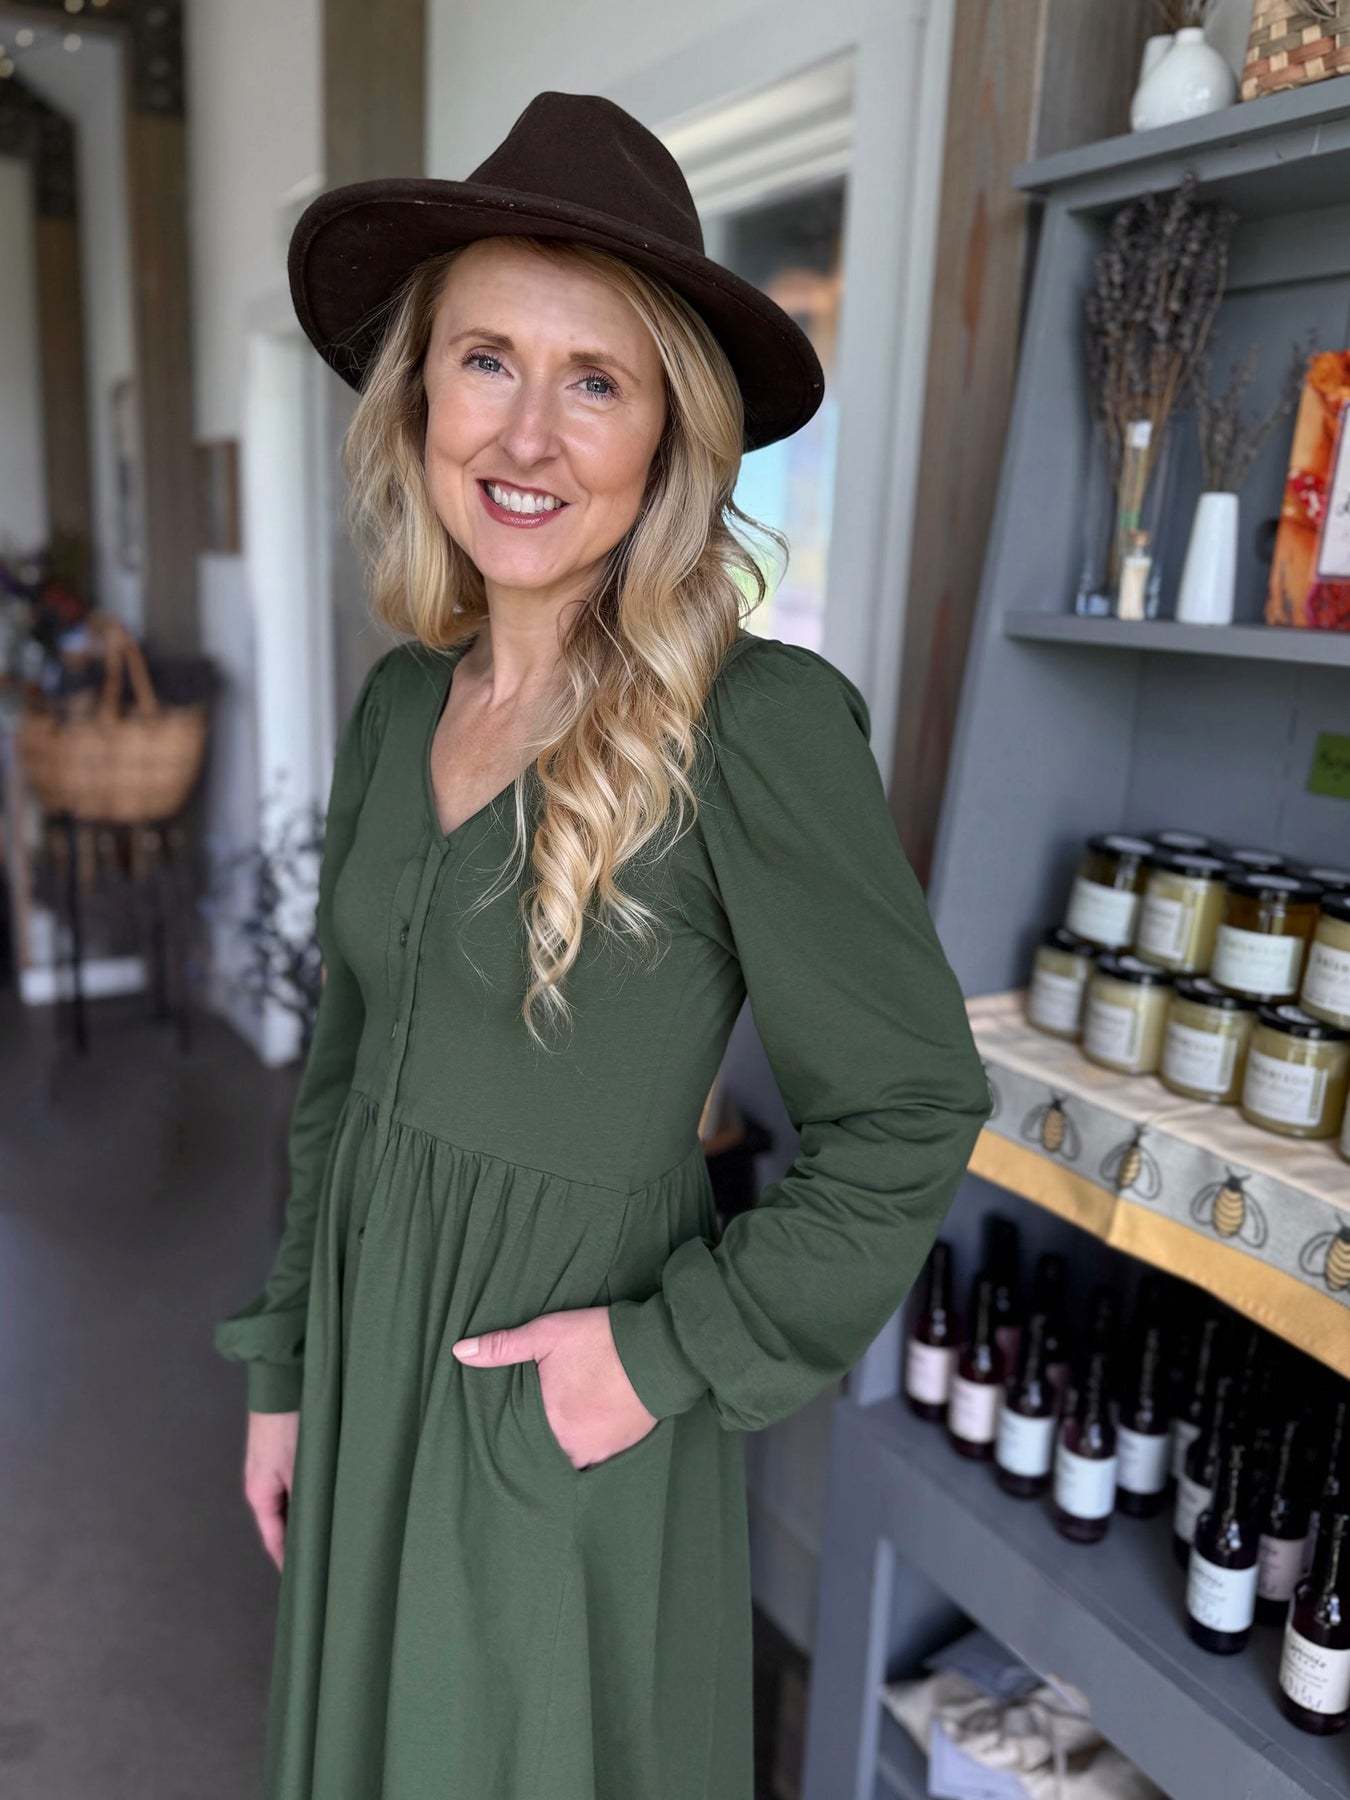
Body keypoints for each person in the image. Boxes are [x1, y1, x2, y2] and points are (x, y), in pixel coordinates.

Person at [213, 88, 991, 1800]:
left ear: (666, 439)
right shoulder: (398, 705)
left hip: (552, 1397)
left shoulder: (754, 725)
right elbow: (344, 1067)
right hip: (367, 1352)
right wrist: (287, 1365)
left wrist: (655, 1358)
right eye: (487, 360)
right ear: (419, 397)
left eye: (595, 382)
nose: (528, 436)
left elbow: (910, 1110)